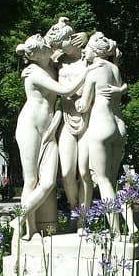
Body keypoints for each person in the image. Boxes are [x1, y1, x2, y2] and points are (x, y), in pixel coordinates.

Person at [14, 33, 84, 239]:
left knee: (48, 183)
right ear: (37, 55)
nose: (49, 46)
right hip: (30, 127)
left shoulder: (50, 66)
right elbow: (66, 89)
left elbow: (66, 43)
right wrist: (91, 70)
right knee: (31, 181)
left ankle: (17, 219)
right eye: (45, 46)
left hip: (48, 129)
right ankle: (30, 229)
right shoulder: (34, 72)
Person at [75, 31, 128, 232]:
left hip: (101, 124)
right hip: (119, 126)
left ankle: (116, 233)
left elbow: (83, 106)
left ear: (94, 50)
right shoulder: (114, 68)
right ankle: (127, 227)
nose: (84, 52)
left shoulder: (94, 71)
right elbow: (120, 90)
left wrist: (74, 98)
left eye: (86, 48)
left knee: (103, 180)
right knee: (112, 182)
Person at [44, 17, 89, 211]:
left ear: (73, 38)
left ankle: (83, 218)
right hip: (67, 119)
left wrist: (88, 36)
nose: (59, 48)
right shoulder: (56, 61)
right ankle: (74, 209)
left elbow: (113, 51)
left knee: (85, 172)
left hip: (89, 119)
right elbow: (37, 51)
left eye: (62, 44)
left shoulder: (89, 56)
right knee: (67, 173)